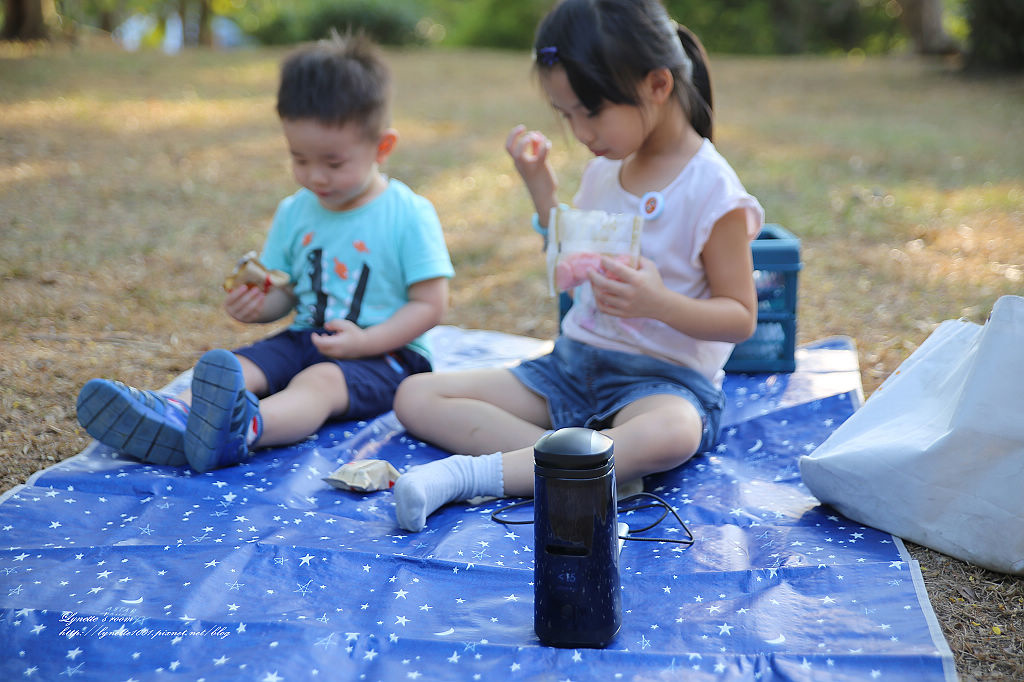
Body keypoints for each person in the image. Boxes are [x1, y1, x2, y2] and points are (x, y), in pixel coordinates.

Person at [391, 0, 763, 532]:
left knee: (673, 432)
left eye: (589, 111)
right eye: (566, 115)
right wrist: (541, 188)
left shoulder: (712, 190)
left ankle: (473, 475)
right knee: (416, 393)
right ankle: (596, 464)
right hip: (572, 368)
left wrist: (659, 304)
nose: (580, 131)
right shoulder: (604, 171)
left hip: (661, 383)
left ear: (657, 85)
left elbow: (740, 316)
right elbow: (575, 258)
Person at [76, 33, 454, 473]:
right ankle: (172, 416)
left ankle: (243, 430)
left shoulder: (408, 214)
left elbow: (431, 304)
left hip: (386, 355)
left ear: (382, 147)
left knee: (319, 382)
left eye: (333, 163)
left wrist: (367, 340)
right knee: (237, 366)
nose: (315, 176)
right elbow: (286, 291)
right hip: (307, 335)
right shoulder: (296, 211)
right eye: (299, 158)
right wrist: (258, 305)